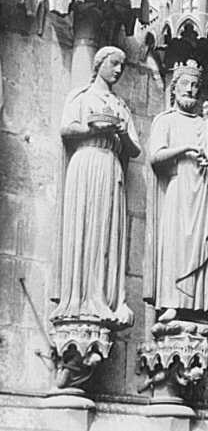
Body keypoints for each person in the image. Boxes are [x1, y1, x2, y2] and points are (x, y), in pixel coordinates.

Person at [51, 46, 140, 328]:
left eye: (122, 66)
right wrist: (93, 129)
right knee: (84, 227)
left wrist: (122, 133)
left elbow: (135, 150)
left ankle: (103, 296)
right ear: (99, 64)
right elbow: (67, 129)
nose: (118, 70)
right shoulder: (81, 96)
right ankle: (80, 297)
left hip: (111, 166)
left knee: (106, 231)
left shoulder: (121, 106)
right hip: (86, 163)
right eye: (114, 63)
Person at [144, 60, 208, 322]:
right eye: (185, 84)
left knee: (200, 245)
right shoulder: (166, 121)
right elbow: (156, 157)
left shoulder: (206, 126)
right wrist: (185, 149)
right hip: (178, 190)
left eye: (195, 85)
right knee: (174, 245)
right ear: (174, 88)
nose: (190, 89)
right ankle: (171, 302)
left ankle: (196, 306)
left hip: (202, 192)